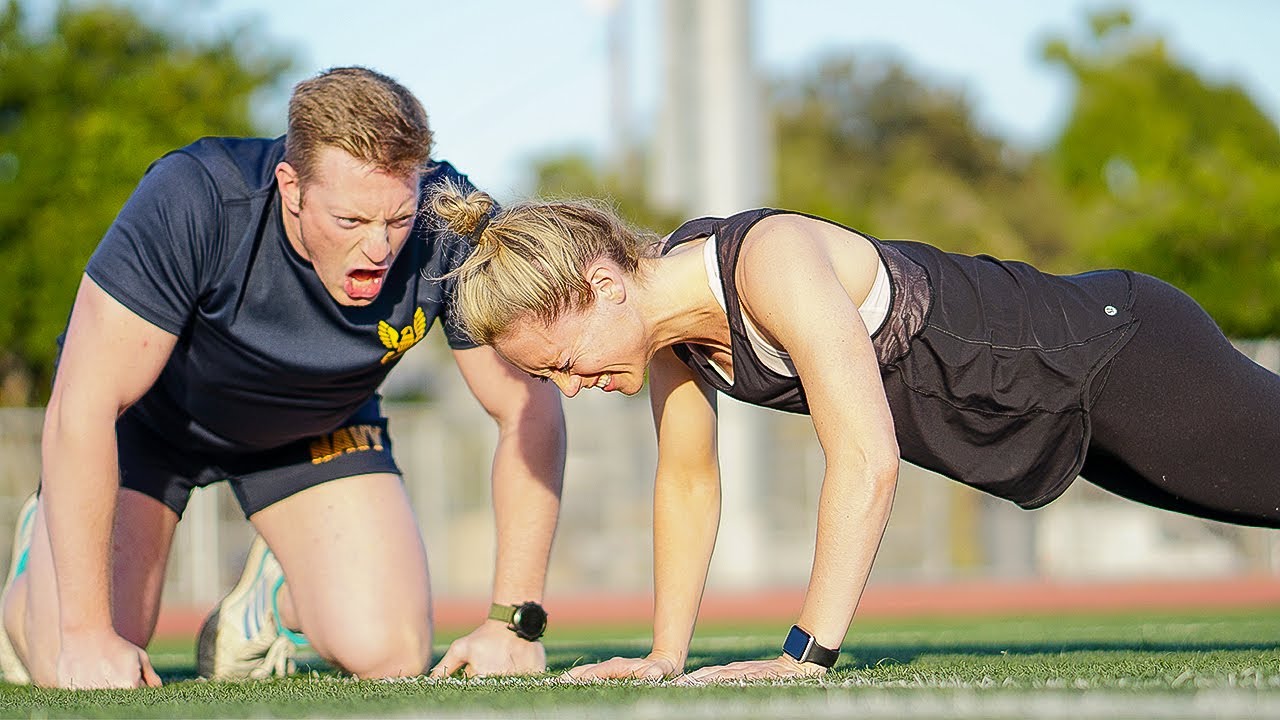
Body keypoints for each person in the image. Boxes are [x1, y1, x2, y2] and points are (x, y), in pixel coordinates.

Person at [430, 184, 1280, 683]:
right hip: (1057, 419)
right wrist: (664, 655)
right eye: (552, 381)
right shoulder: (670, 337)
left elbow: (866, 459)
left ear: (604, 281)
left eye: (568, 364)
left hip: (1115, 355)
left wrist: (805, 654)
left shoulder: (770, 260)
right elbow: (688, 482)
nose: (573, 390)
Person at [0, 67, 566, 690]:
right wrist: (84, 636)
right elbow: (83, 404)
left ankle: (269, 604)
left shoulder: (445, 217)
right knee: (73, 661)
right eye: (351, 222)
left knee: (392, 653)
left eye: (397, 219)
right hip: (151, 430)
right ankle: (41, 551)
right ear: (290, 187)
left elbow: (525, 405)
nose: (380, 247)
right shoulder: (195, 197)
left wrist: (515, 622)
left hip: (315, 430)